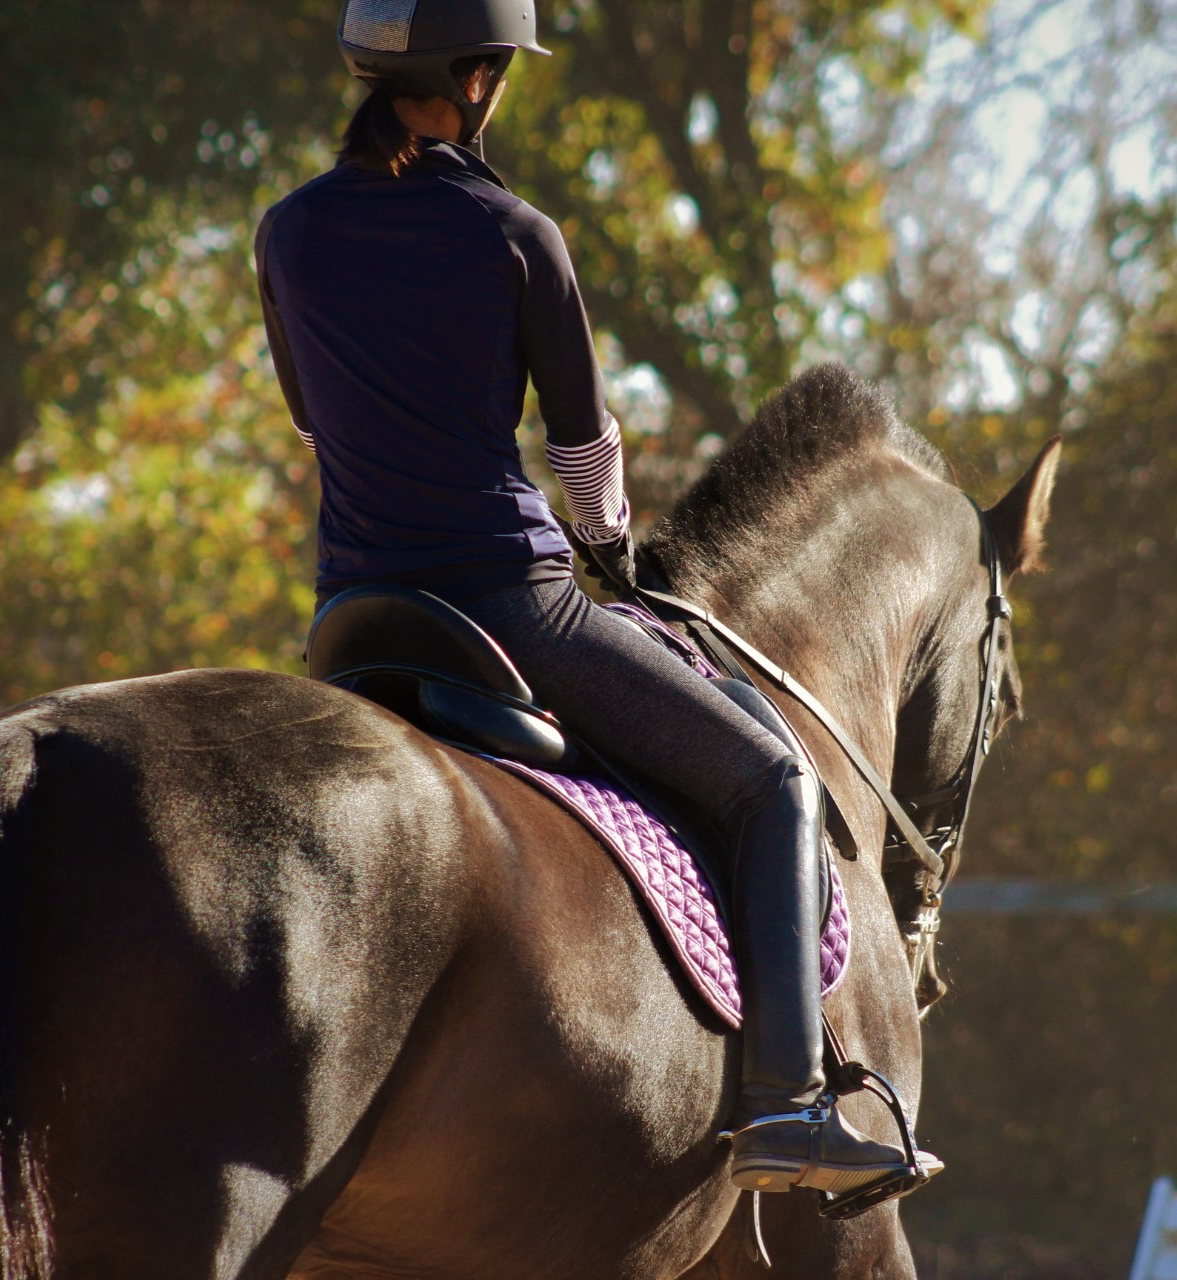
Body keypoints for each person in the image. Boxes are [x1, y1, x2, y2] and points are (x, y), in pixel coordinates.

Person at [255, 0, 931, 1197]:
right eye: (499, 71)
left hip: (354, 611)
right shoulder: (515, 234)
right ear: (472, 80)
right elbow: (580, 448)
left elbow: (312, 415)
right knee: (775, 782)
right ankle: (784, 1102)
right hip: (509, 600)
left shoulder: (287, 230)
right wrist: (609, 542)